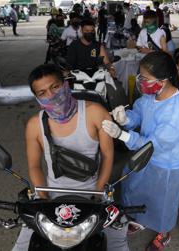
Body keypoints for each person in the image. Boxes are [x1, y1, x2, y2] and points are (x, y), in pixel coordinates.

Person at [12, 64, 128, 251]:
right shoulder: (34, 125)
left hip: (93, 195)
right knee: (23, 246)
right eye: (42, 93)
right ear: (37, 98)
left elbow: (108, 155)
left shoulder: (96, 112)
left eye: (55, 87)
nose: (51, 95)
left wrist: (98, 193)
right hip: (52, 197)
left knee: (118, 240)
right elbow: (34, 165)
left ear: (66, 84)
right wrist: (43, 198)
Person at [101, 51, 179, 251]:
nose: (141, 82)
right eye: (140, 77)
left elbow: (151, 145)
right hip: (144, 156)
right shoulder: (153, 94)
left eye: (145, 78)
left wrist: (122, 135)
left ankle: (164, 232)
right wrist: (126, 119)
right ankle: (137, 220)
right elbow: (139, 112)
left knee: (162, 202)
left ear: (163, 79)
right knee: (135, 188)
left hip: (166, 163)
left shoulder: (177, 112)